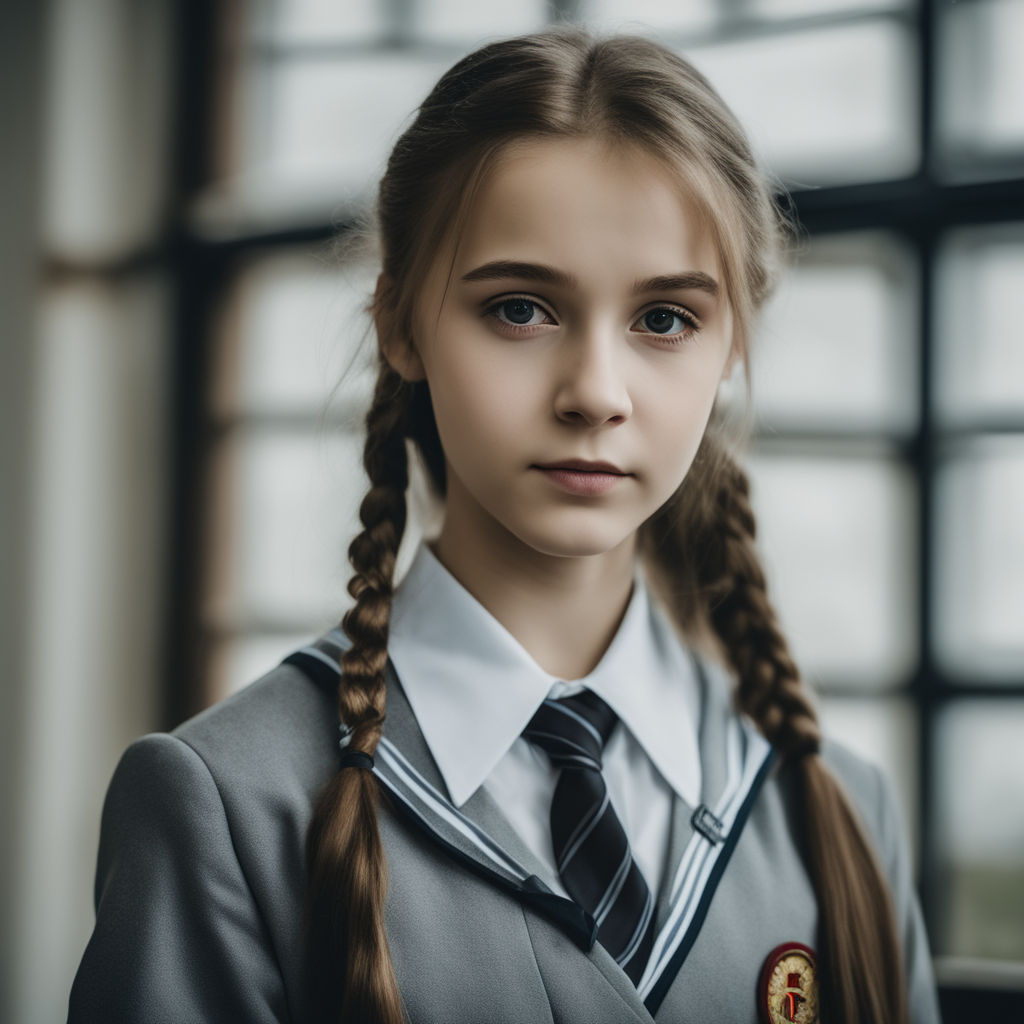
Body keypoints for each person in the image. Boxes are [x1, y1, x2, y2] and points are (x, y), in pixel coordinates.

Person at [69, 26, 941, 1024]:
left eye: (664, 320)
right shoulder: (226, 804)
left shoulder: (839, 812)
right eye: (521, 308)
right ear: (399, 322)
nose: (594, 393)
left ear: (731, 345)